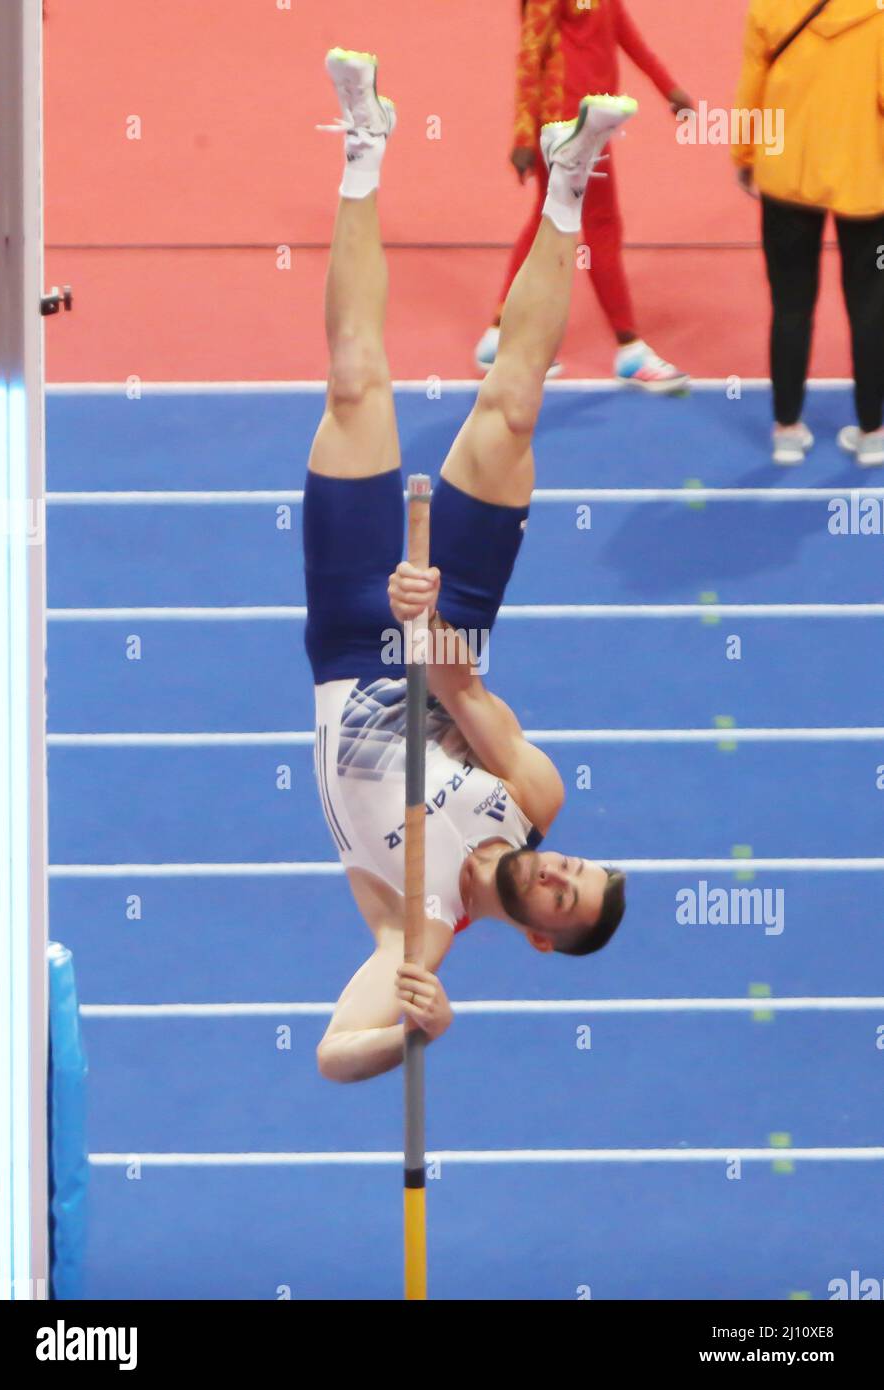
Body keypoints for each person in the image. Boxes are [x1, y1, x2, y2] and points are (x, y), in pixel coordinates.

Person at [308, 49, 627, 1084]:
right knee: (514, 410)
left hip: (356, 643)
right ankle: (568, 179)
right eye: (578, 868)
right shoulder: (531, 792)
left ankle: (363, 146)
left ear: (541, 934)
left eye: (563, 895)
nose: (562, 871)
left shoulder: (422, 925)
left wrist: (417, 1029)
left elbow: (330, 1057)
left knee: (357, 383)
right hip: (436, 627)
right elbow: (459, 685)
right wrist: (429, 618)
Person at [475, 0, 694, 390]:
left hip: (593, 123)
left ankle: (498, 334)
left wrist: (669, 88)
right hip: (565, 125)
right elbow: (530, 54)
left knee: (551, 220)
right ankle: (629, 347)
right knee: (601, 225)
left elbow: (626, 36)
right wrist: (524, 135)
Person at [733, 0, 884, 467]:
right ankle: (873, 432)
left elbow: (752, 86)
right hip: (868, 182)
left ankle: (786, 428)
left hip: (787, 180)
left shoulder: (769, 7)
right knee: (871, 309)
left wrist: (744, 154)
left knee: (791, 305)